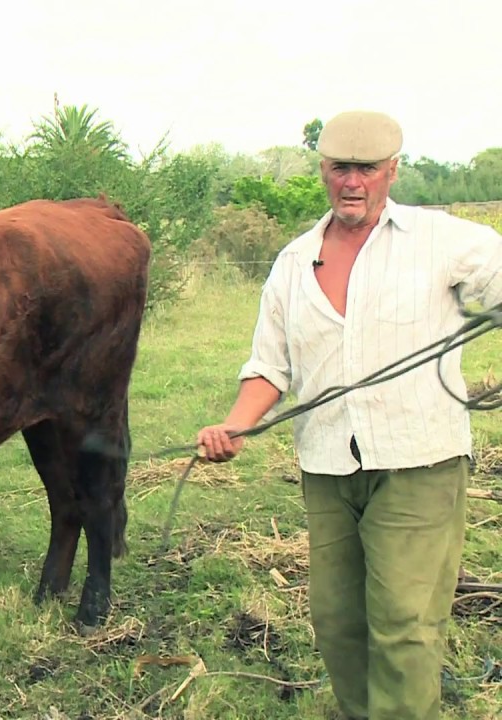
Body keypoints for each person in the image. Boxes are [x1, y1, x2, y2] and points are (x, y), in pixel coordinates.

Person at [196, 110, 502, 719]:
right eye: (341, 168)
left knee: (405, 622)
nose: (353, 182)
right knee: (337, 621)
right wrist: (236, 424)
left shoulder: (444, 242)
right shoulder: (292, 262)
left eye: (367, 168)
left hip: (420, 462)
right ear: (323, 171)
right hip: (330, 466)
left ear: (392, 170)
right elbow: (269, 367)